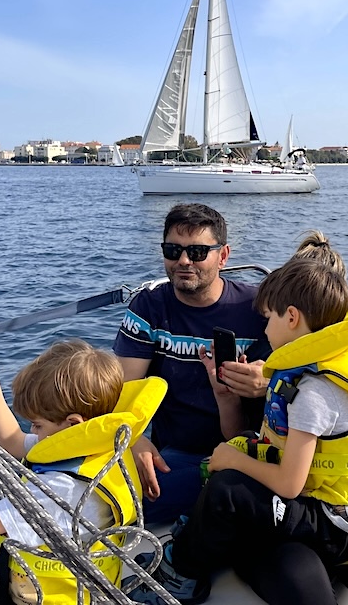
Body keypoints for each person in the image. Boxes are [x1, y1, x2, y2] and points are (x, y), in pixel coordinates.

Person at [129, 258, 348, 605]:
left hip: (327, 516)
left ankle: (179, 573)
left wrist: (232, 460)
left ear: (291, 317)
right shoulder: (328, 367)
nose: (265, 328)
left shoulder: (311, 390)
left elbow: (289, 484)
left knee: (225, 489)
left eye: (269, 318)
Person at [0, 340, 165, 605]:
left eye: (37, 424)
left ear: (73, 423)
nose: (33, 431)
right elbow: (13, 442)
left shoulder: (65, 487)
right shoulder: (95, 447)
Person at [112, 203, 271, 524]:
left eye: (197, 252)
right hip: (174, 454)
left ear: (223, 256)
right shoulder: (150, 308)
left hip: (246, 452)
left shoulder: (258, 310)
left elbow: (299, 380)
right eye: (173, 250)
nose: (184, 261)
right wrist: (135, 440)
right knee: (115, 499)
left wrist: (266, 382)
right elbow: (122, 391)